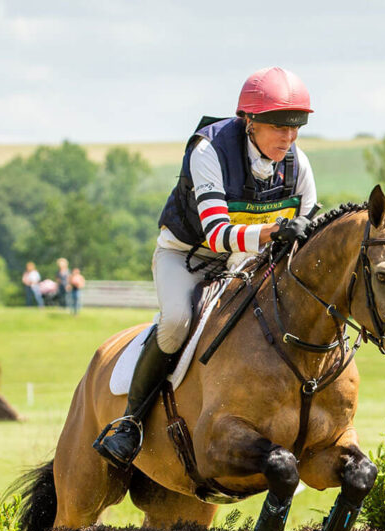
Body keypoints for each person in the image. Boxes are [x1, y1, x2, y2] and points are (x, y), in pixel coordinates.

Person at [93, 66, 318, 468]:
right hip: (187, 256)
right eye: (278, 127)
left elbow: (305, 231)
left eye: (295, 128)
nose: (288, 138)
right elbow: (216, 234)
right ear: (249, 121)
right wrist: (272, 231)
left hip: (247, 262)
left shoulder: (298, 165)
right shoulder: (209, 151)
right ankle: (130, 421)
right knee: (178, 319)